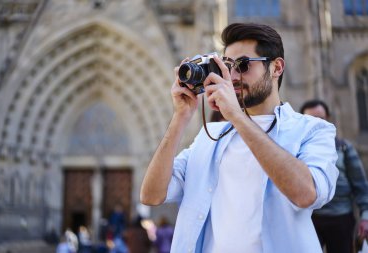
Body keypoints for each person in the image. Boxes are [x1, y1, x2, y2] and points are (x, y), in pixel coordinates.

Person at [140, 22, 339, 253]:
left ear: (276, 68)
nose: (233, 76)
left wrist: (236, 115)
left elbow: (306, 194)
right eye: (227, 66)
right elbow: (151, 195)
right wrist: (180, 116)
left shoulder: (313, 130)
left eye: (243, 65)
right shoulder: (209, 137)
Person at [300, 99, 368, 253]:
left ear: (328, 118)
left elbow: (361, 186)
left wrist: (365, 216)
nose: (317, 123)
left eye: (321, 118)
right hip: (309, 219)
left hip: (341, 218)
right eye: (311, 119)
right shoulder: (298, 149)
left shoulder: (344, 147)